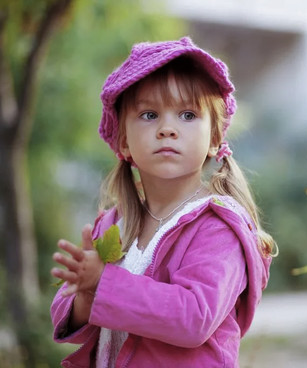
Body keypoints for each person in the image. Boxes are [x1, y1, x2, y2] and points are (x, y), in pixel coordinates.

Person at [50, 36, 276, 368]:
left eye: (187, 115)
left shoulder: (218, 226)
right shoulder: (115, 224)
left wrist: (104, 283)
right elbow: (70, 316)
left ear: (214, 139)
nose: (167, 129)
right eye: (149, 114)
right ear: (124, 141)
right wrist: (84, 293)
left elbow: (194, 318)